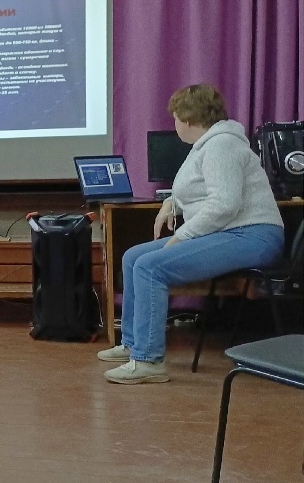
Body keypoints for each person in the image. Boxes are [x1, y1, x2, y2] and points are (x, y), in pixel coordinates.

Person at [98, 84, 285, 384]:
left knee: (150, 267)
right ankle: (132, 343)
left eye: (175, 118)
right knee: (134, 257)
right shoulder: (206, 145)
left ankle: (148, 361)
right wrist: (171, 203)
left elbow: (224, 204)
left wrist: (182, 236)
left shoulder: (222, 146)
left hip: (253, 236)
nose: (174, 124)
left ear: (188, 119)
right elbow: (197, 188)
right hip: (232, 232)